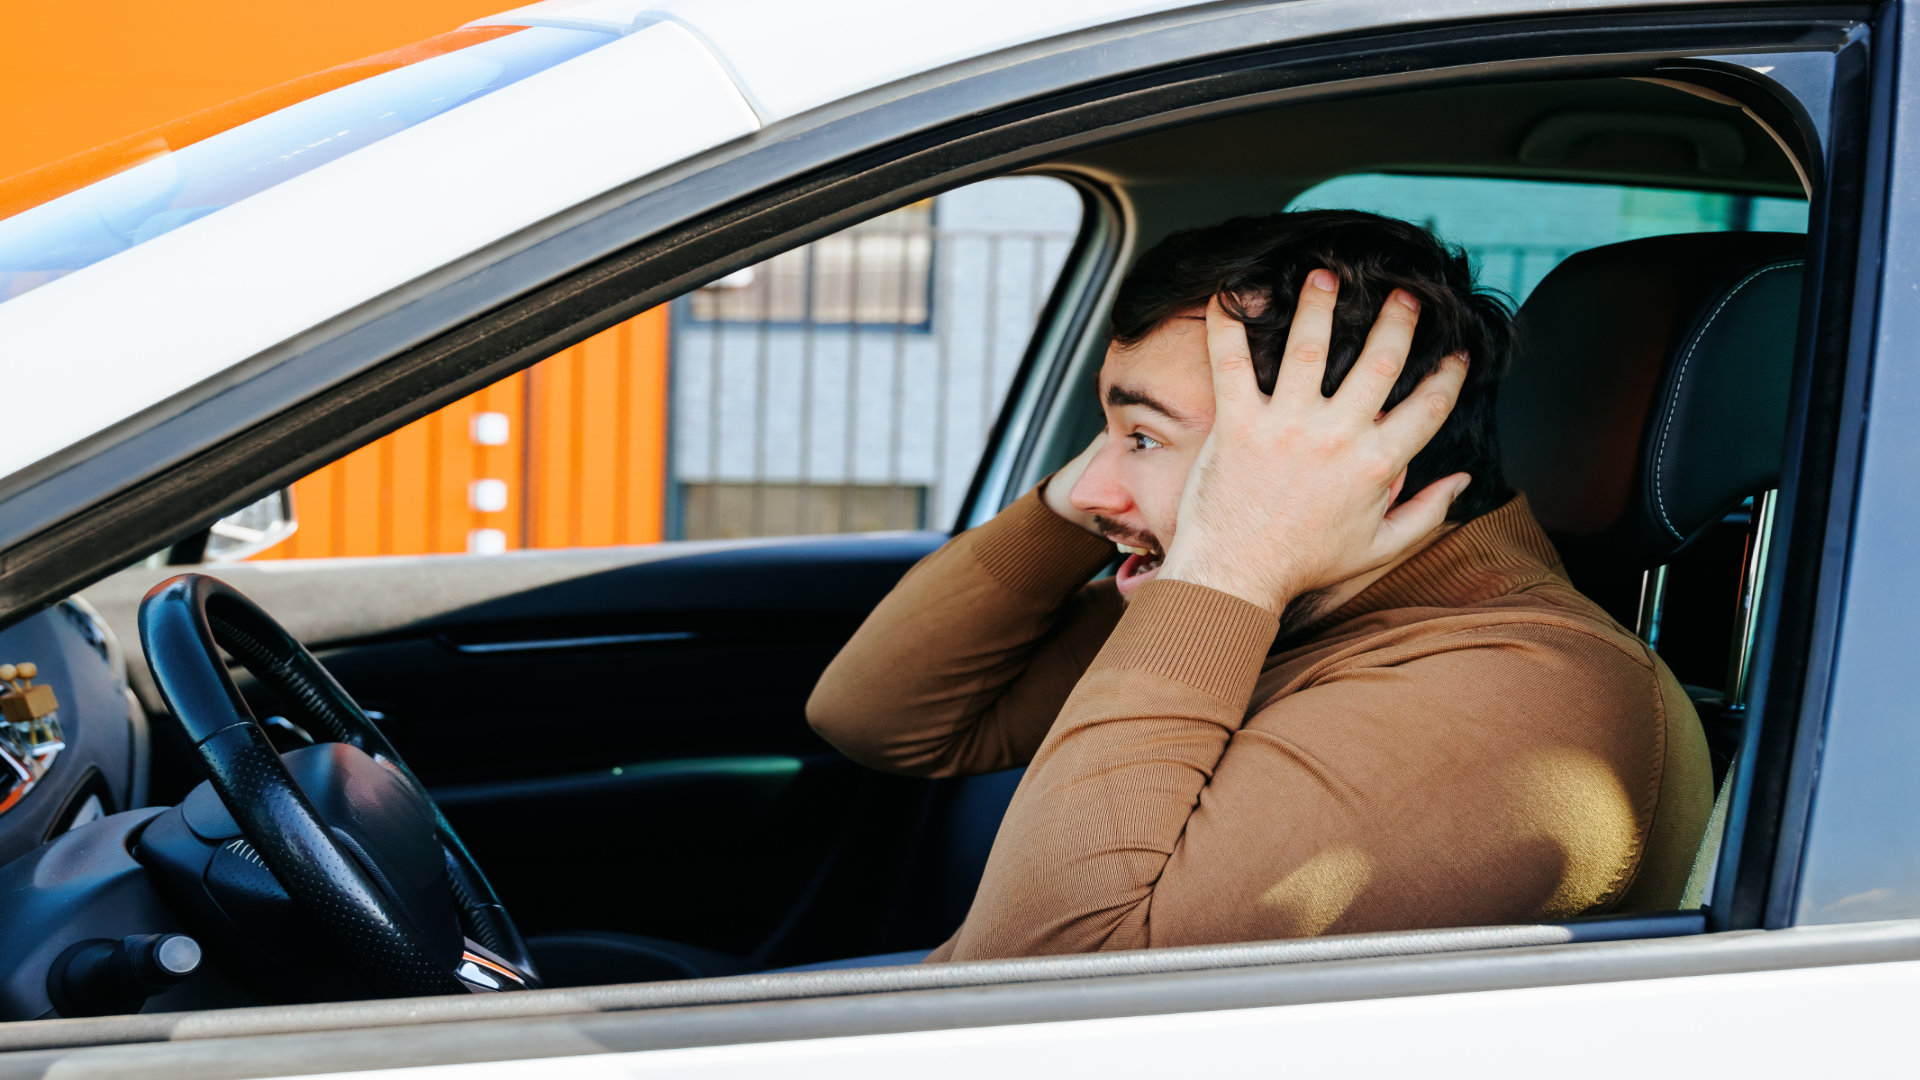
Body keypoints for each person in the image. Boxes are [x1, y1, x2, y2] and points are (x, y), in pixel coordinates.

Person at [806, 210, 1712, 962]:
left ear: (1350, 465)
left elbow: (1039, 990)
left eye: (1147, 439)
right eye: (1106, 430)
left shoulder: (1522, 695)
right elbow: (884, 716)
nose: (1090, 492)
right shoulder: (1281, 595)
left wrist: (1231, 561)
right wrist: (1144, 495)